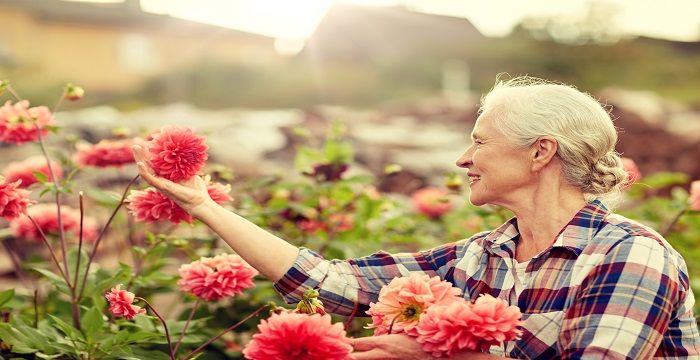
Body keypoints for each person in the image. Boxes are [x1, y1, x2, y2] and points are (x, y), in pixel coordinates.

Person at [132, 76, 700, 359]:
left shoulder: (631, 255)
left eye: (479, 142)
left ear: (540, 152)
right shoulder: (483, 254)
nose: (462, 159)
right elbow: (334, 284)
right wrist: (202, 205)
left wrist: (433, 355)